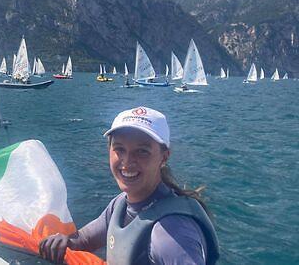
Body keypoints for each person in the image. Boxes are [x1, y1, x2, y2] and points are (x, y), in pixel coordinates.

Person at [39, 107, 219, 265]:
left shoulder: (170, 233)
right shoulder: (121, 205)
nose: (127, 161)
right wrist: (63, 242)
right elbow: (83, 239)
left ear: (164, 157)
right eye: (120, 149)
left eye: (142, 151)